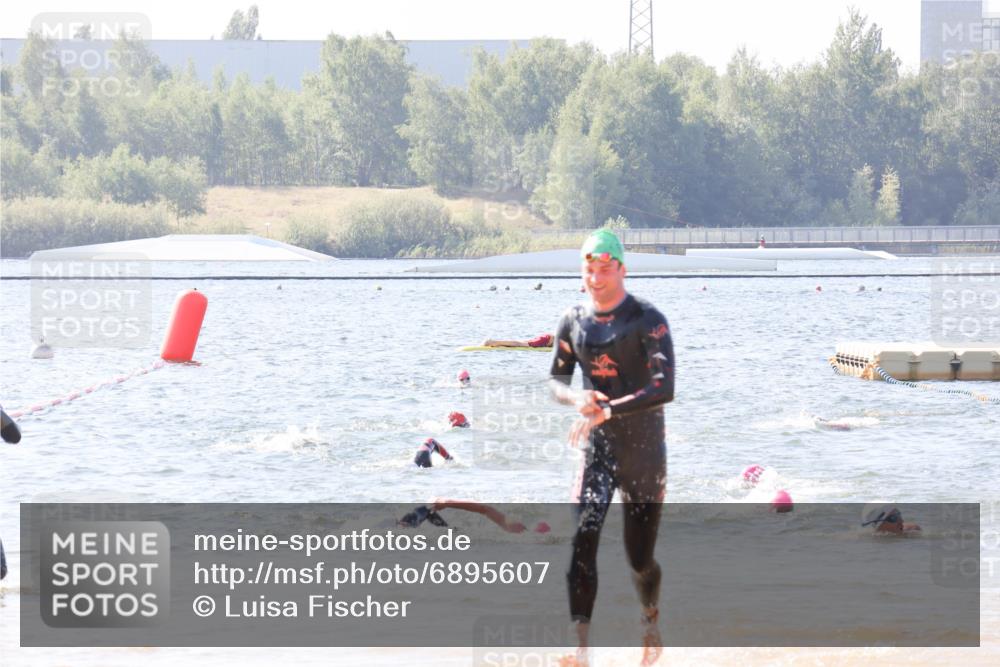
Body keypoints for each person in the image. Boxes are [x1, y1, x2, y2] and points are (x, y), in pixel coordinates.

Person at [548, 229, 675, 667]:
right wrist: (576, 399)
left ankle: (650, 619)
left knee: (639, 559)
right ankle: (580, 649)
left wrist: (609, 409)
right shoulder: (572, 320)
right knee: (583, 539)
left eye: (605, 269)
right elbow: (557, 382)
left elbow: (664, 387)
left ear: (622, 269)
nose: (596, 278)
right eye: (589, 269)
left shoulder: (647, 319)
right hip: (596, 450)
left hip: (643, 454)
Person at [399, 500, 550, 534]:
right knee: (426, 510)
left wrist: (448, 503)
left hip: (459, 536)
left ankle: (401, 528)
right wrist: (447, 503)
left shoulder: (511, 527)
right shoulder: (511, 528)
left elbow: (483, 509)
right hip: (458, 534)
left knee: (424, 509)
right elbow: (483, 509)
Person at [481, 334, 553, 348]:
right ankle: (493, 342)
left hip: (547, 338)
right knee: (522, 344)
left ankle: (496, 343)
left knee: (522, 343)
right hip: (547, 339)